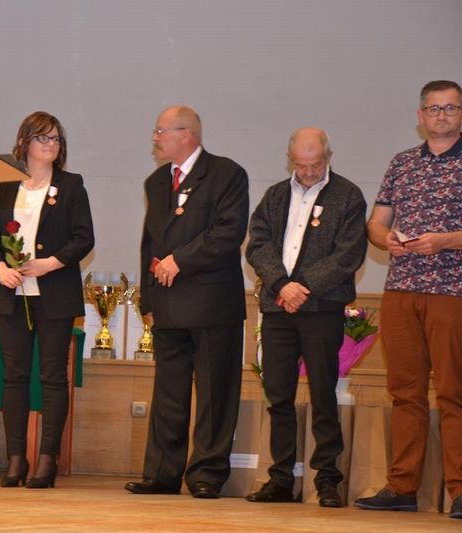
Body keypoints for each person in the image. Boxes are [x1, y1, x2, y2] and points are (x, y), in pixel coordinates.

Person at [125, 105, 249, 498]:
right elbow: (150, 243)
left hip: (212, 303)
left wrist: (180, 260)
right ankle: (162, 473)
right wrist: (147, 298)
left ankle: (206, 475)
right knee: (168, 392)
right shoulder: (156, 182)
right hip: (167, 303)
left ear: (187, 134)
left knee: (214, 393)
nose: (155, 138)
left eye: (161, 131)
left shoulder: (227, 174)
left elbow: (228, 232)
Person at [354, 80, 462, 519]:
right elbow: (376, 223)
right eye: (434, 109)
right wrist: (387, 239)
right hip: (400, 290)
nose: (442, 115)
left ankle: (460, 491)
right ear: (420, 116)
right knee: (404, 393)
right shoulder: (402, 163)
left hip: (453, 291)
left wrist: (445, 240)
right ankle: (402, 487)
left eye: (451, 108)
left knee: (454, 393)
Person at [245, 128, 368, 507]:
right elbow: (258, 244)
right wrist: (282, 285)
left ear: (328, 157)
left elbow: (348, 254)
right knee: (278, 394)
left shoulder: (348, 195)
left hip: (322, 309)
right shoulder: (275, 196)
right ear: (290, 160)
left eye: (316, 164)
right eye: (302, 165)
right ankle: (280, 479)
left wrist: (304, 287)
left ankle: (327, 480)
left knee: (323, 394)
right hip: (277, 307)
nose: (310, 172)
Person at [0, 111, 94, 489]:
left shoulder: (71, 185)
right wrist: (0, 268)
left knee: (52, 377)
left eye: (56, 139)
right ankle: (16, 458)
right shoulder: (6, 186)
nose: (51, 144)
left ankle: (48, 459)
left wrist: (50, 263)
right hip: (11, 294)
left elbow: (84, 238)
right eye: (43, 137)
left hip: (55, 293)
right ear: (24, 142)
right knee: (14, 377)